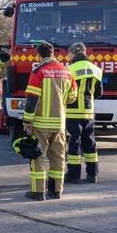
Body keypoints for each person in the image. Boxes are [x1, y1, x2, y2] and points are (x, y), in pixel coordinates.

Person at [22, 41, 75, 200]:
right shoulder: (67, 72)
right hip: (59, 124)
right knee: (58, 157)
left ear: (39, 55)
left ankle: (38, 192)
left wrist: (27, 121)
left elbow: (32, 99)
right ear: (53, 54)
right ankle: (56, 190)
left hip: (41, 124)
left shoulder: (39, 71)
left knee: (38, 156)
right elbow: (72, 98)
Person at [65, 42, 103, 184]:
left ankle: (74, 175)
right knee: (90, 143)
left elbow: (66, 92)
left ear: (73, 53)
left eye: (69, 53)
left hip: (72, 113)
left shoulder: (69, 70)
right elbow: (99, 93)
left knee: (74, 143)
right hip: (89, 113)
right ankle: (93, 174)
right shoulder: (96, 70)